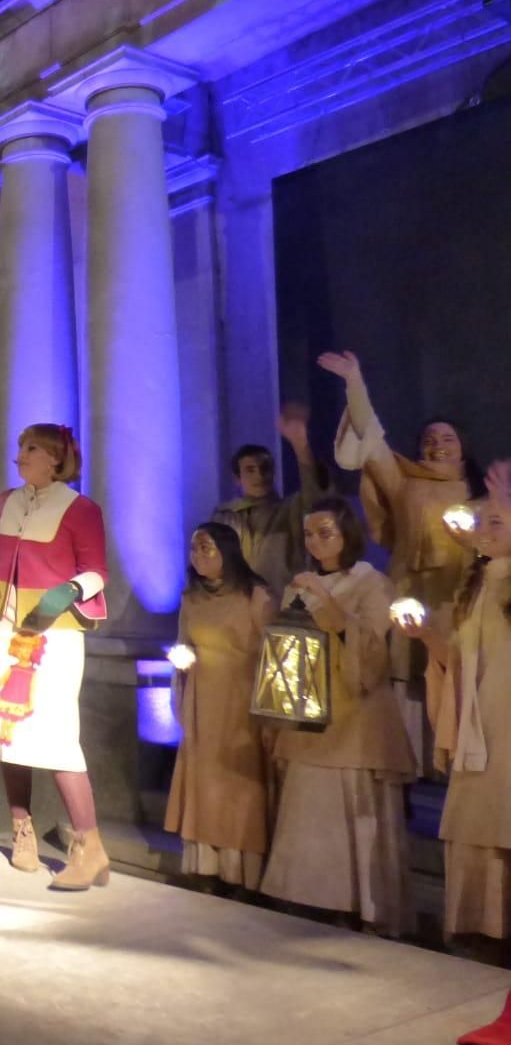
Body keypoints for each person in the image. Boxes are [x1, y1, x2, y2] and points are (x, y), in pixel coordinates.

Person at [259, 498, 415, 936]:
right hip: (312, 720)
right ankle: (309, 900)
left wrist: (326, 600)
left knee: (354, 818)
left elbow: (372, 654)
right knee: (310, 813)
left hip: (357, 719)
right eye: (309, 533)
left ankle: (360, 907)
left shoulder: (371, 583)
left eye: (325, 532)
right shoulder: (297, 588)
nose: (315, 541)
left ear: (347, 534)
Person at [0, 424, 111, 891]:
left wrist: (69, 590)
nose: (19, 456)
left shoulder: (81, 509)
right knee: (10, 734)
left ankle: (90, 847)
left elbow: (97, 573)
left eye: (30, 448)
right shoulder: (7, 502)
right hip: (3, 630)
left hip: (54, 635)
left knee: (56, 737)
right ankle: (21, 832)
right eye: (19, 447)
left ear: (55, 457)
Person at [320, 350, 479, 760]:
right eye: (429, 439)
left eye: (447, 438)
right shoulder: (404, 484)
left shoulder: (480, 496)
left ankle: (457, 767)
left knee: (457, 676)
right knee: (407, 680)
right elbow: (370, 438)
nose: (437, 445)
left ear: (463, 448)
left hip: (459, 597)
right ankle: (411, 771)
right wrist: (354, 380)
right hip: (410, 591)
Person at [402, 463, 511, 941]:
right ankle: (478, 929)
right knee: (475, 822)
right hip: (479, 727)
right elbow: (460, 661)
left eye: (497, 523)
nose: (483, 531)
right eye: (482, 520)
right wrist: (425, 634)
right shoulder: (477, 585)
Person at [163, 523, 275, 891]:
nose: (198, 556)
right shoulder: (192, 598)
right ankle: (205, 866)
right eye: (194, 549)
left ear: (227, 550)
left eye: (207, 548)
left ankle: (240, 871)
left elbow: (272, 654)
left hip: (242, 700)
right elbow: (183, 641)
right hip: (202, 699)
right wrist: (183, 661)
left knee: (238, 783)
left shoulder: (254, 595)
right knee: (205, 781)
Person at [210, 409, 331, 596]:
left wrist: (300, 445)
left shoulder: (290, 510)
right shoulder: (224, 517)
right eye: (250, 470)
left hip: (285, 606)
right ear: (237, 478)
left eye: (265, 468)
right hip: (237, 607)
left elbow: (315, 497)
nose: (259, 475)